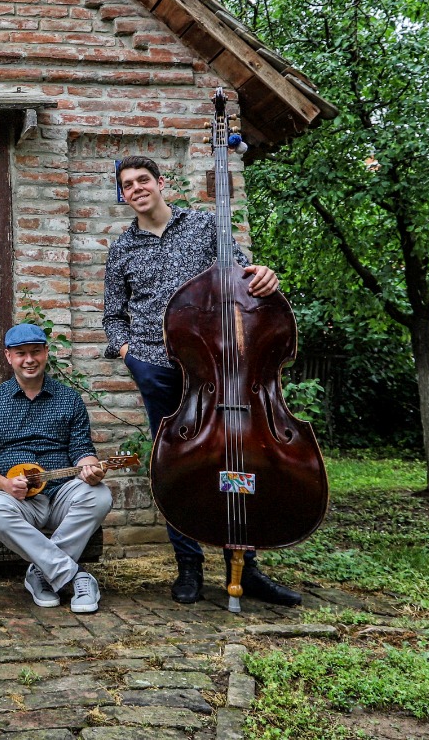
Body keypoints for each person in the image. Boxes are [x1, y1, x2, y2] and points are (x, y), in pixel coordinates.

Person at [103, 155, 302, 608]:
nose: (135, 189)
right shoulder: (122, 250)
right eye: (127, 184)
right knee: (180, 465)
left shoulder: (202, 225)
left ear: (160, 183)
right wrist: (130, 355)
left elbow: (243, 276)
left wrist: (265, 276)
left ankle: (245, 565)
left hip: (216, 365)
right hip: (156, 366)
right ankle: (188, 565)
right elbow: (113, 317)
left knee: (237, 456)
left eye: (142, 180)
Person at [0, 323, 109, 614]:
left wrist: (90, 467)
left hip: (61, 494)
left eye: (35, 352)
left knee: (100, 495)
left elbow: (82, 450)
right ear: (8, 357)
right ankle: (73, 574)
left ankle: (41, 573)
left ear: (46, 353)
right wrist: (4, 485)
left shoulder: (69, 399)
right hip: (18, 497)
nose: (29, 360)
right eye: (21, 354)